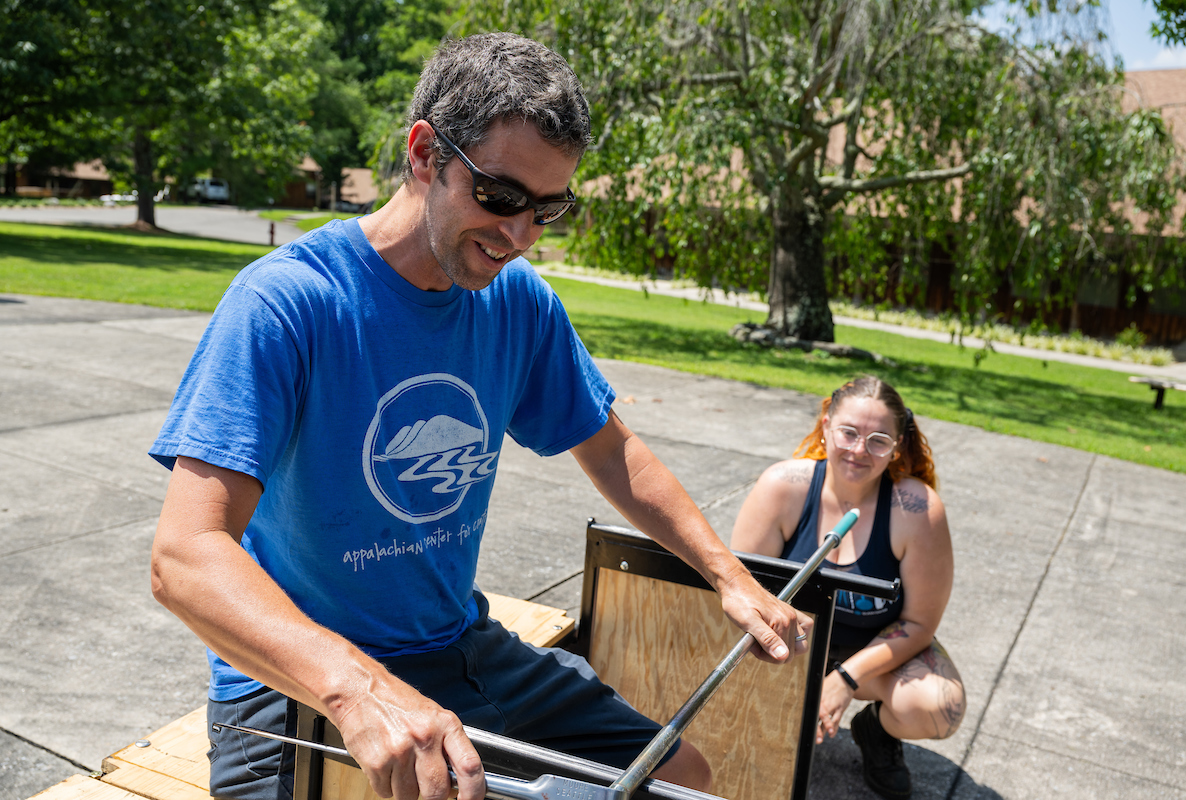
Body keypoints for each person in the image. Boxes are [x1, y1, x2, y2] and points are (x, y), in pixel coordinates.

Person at [148, 32, 808, 800]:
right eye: (501, 197)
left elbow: (611, 450)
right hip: (296, 682)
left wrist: (730, 577)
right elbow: (185, 556)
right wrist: (356, 687)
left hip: (457, 644)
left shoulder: (518, 303)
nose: (520, 237)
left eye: (548, 209)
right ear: (424, 154)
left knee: (678, 779)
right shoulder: (287, 303)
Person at [730, 375, 966, 800]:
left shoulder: (916, 509)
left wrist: (844, 681)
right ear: (826, 426)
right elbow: (742, 593)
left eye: (878, 440)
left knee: (938, 707)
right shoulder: (783, 486)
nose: (859, 450)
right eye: (849, 433)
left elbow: (919, 624)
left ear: (897, 446)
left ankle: (875, 731)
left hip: (871, 655)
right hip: (792, 644)